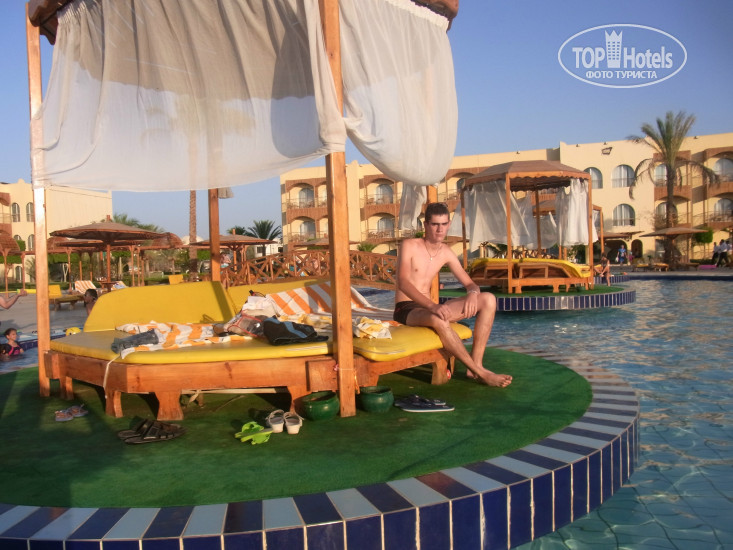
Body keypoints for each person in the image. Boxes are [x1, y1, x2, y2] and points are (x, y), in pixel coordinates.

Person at [394, 202, 512, 387]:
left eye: (443, 224)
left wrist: (472, 293)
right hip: (407, 308)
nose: (439, 229)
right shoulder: (409, 245)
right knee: (439, 319)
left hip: (431, 308)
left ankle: (475, 365)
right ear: (426, 225)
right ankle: (480, 373)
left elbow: (471, 284)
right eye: (435, 224)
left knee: (488, 299)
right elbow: (403, 282)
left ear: (448, 224)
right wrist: (432, 306)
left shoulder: (446, 252)